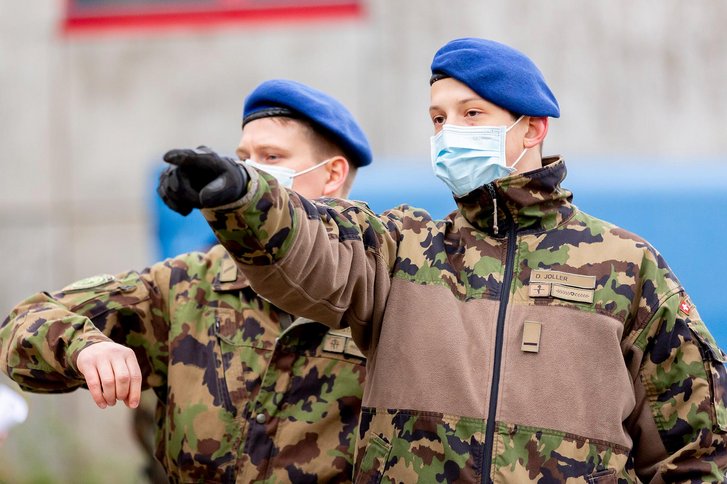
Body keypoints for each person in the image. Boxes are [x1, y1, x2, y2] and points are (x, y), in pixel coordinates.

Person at [156, 38, 727, 482]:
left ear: (532, 128)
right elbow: (315, 248)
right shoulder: (403, 247)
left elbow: (699, 447)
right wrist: (245, 196)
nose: (449, 132)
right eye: (438, 118)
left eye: (471, 114)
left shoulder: (624, 265)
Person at [0, 79, 371, 483]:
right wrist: (83, 346)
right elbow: (22, 324)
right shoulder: (189, 285)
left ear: (332, 174)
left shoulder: (379, 293)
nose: (252, 171)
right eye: (244, 156)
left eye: (272, 156)